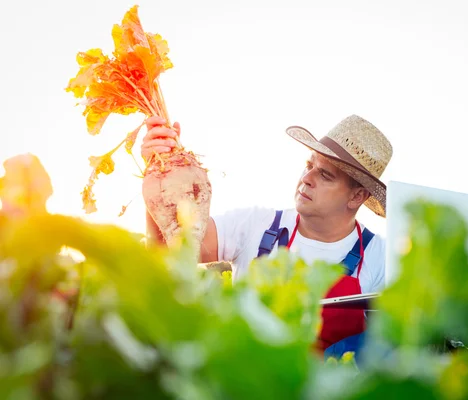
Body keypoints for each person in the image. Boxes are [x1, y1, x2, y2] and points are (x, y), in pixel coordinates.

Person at [141, 114, 393, 359]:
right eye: (309, 166)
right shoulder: (256, 225)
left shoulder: (381, 258)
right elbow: (173, 250)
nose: (306, 179)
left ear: (357, 196)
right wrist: (160, 169)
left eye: (325, 175)